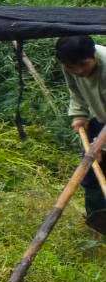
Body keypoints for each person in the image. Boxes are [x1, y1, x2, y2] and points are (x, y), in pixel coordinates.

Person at [55, 34, 106, 230]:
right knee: (93, 171)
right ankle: (98, 223)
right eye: (70, 66)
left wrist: (98, 144)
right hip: (100, 119)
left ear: (93, 55)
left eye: (83, 64)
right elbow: (75, 92)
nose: (78, 71)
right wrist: (79, 115)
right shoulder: (71, 64)